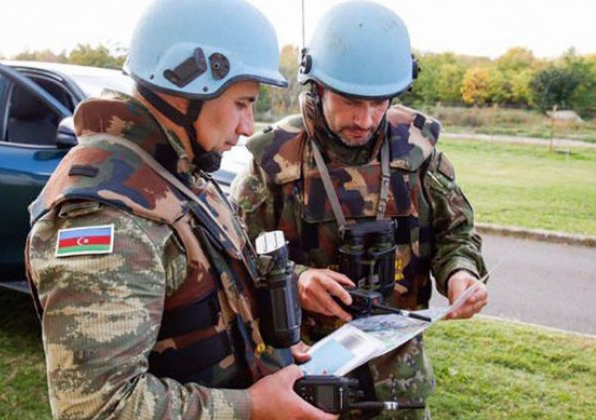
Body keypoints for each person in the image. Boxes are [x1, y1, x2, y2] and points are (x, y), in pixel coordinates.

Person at [24, 0, 336, 418]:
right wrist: (252, 407)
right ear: (188, 87)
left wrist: (271, 351)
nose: (247, 127)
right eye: (242, 103)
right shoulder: (110, 218)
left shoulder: (178, 169)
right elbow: (99, 408)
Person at [231, 1, 488, 417]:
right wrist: (297, 280)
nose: (366, 119)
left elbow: (456, 231)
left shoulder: (417, 150)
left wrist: (461, 273)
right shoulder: (274, 160)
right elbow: (235, 256)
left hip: (399, 376)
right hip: (306, 373)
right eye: (350, 101)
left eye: (379, 103)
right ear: (316, 87)